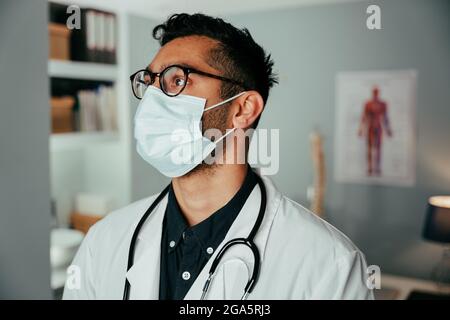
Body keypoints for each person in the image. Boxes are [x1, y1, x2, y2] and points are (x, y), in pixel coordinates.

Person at [63, 13, 373, 300]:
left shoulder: (330, 267)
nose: (152, 100)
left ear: (243, 109)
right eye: (149, 83)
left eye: (177, 80)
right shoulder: (103, 242)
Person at [358, 86, 393, 176]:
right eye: (374, 92)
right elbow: (364, 117)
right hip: (370, 127)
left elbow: (385, 118)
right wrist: (361, 129)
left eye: (376, 92)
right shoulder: (368, 104)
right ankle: (370, 167)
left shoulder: (382, 104)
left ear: (378, 93)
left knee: (378, 148)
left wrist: (388, 129)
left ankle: (377, 167)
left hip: (378, 127)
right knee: (369, 148)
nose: (375, 94)